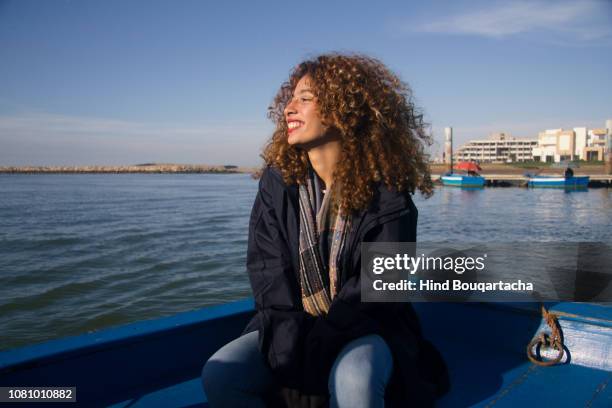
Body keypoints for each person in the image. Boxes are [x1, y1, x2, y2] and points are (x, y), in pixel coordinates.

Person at [201, 53, 449, 407]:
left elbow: (377, 293)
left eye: (305, 99)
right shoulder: (277, 184)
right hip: (292, 329)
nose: (289, 109)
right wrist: (290, 365)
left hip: (367, 328)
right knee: (220, 374)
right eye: (289, 100)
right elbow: (270, 276)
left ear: (343, 109)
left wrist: (311, 367)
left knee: (354, 381)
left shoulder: (389, 196)